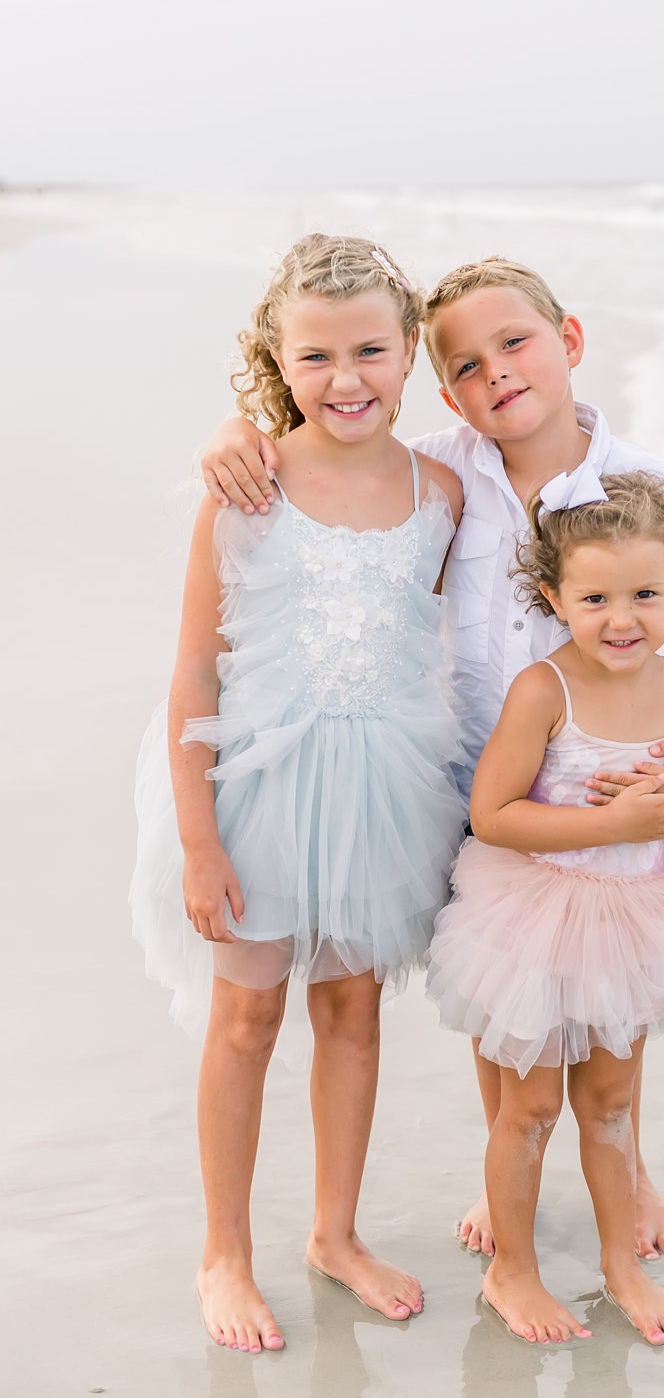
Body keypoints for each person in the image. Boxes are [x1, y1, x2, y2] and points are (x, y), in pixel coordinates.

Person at [199, 255, 664, 1260]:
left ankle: (625, 1173)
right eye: (466, 364)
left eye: (515, 343)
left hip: (610, 781)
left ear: (570, 343)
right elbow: (331, 451)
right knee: (501, 995)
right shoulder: (443, 469)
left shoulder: (643, 485)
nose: (495, 373)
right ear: (439, 380)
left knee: (611, 991)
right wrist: (235, 431)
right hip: (478, 786)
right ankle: (504, 1172)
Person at [130, 235, 466, 1354]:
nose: (347, 378)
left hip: (381, 793)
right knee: (247, 1015)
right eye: (315, 356)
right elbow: (194, 669)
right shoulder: (246, 489)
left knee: (352, 1008)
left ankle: (334, 1232)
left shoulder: (441, 492)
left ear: (410, 351)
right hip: (259, 792)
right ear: (278, 358)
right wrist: (196, 840)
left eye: (371, 349)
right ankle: (224, 1250)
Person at [427, 471, 664, 1345]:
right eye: (594, 598)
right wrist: (616, 816)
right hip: (538, 924)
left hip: (636, 924)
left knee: (610, 1108)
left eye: (645, 594)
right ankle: (510, 1271)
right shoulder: (542, 692)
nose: (621, 618)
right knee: (531, 1110)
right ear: (554, 597)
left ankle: (619, 1266)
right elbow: (494, 815)